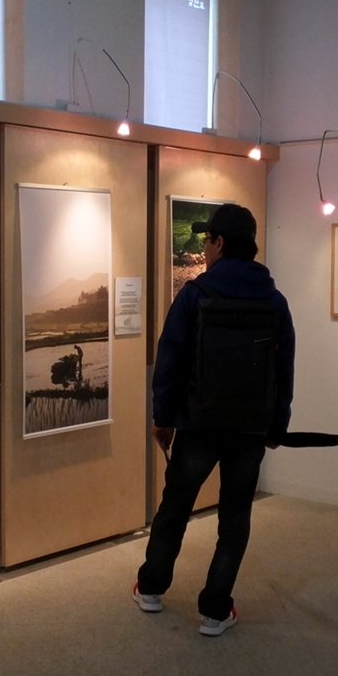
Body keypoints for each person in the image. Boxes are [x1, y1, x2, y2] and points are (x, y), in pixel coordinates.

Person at [133, 203, 295, 636]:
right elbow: (284, 372)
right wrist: (276, 427)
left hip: (197, 424)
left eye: (207, 240)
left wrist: (162, 418)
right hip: (249, 429)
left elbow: (169, 360)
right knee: (235, 517)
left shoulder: (194, 295)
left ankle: (150, 588)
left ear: (220, 243)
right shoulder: (275, 302)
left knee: (175, 507)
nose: (203, 248)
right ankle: (215, 610)